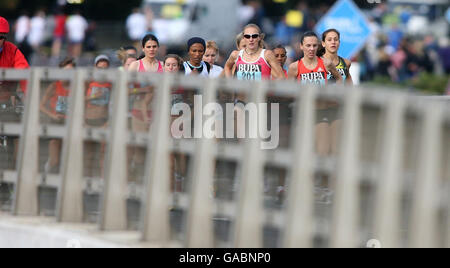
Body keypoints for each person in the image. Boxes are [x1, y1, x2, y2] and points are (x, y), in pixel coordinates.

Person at [287, 31, 342, 157]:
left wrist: (333, 93)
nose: (311, 49)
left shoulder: (326, 63)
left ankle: (323, 176)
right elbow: (287, 90)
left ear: (318, 46)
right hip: (303, 114)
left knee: (323, 152)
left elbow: (339, 78)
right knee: (304, 154)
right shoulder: (294, 67)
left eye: (314, 45)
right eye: (308, 46)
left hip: (322, 112)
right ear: (301, 46)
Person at [0, 16, 30, 168]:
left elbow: (24, 72)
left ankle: (13, 170)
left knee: (17, 137)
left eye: (1, 37)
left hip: (7, 101)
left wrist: (28, 97)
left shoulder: (12, 50)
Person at [39, 57, 75, 174]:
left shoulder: (76, 86)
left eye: (71, 71)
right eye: (65, 70)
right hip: (56, 123)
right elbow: (41, 106)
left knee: (68, 159)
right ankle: (46, 174)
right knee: (55, 160)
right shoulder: (54, 86)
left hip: (70, 124)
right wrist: (53, 115)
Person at [84, 55, 112, 178]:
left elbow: (114, 103)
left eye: (105, 68)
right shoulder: (88, 82)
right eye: (99, 68)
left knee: (103, 153)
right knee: (88, 154)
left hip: (103, 121)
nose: (102, 71)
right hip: (89, 121)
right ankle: (87, 180)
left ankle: (102, 180)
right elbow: (78, 99)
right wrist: (93, 96)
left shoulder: (111, 83)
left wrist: (108, 122)